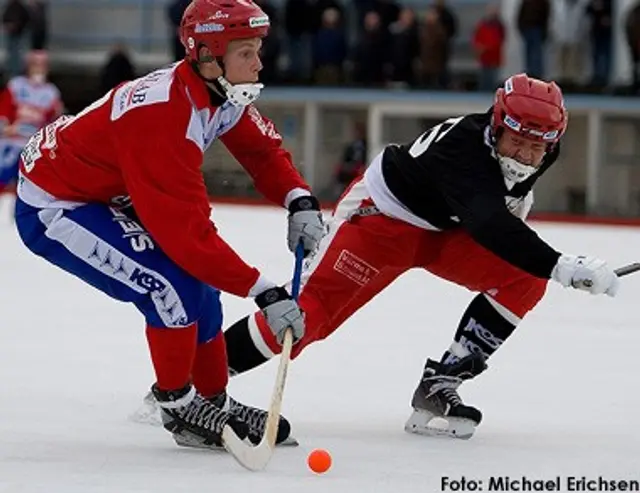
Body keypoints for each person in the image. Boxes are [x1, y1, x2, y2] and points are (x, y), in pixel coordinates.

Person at [221, 73, 620, 439]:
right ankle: (196, 382)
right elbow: (488, 221)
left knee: (523, 277)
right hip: (381, 222)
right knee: (308, 317)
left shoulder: (539, 150)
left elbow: (502, 216)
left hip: (445, 230)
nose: (522, 156)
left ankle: (441, 382)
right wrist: (561, 265)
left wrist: (541, 263)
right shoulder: (464, 148)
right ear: (496, 125)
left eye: (536, 147)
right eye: (515, 141)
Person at [13, 0, 325, 452]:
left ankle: (212, 401)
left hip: (104, 188)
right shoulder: (163, 117)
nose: (260, 63)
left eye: (258, 49)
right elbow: (188, 238)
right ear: (207, 56)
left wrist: (299, 197)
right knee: (169, 287)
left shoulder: (220, 90)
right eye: (246, 53)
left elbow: (261, 151)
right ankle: (179, 407)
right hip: (55, 204)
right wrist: (265, 290)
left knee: (200, 284)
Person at [0, 50, 62, 204]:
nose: (38, 69)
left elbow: (53, 120)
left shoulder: (51, 92)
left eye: (42, 65)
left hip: (32, 145)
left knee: (27, 184)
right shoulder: (16, 85)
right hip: (11, 141)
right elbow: (4, 110)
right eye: (35, 65)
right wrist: (4, 127)